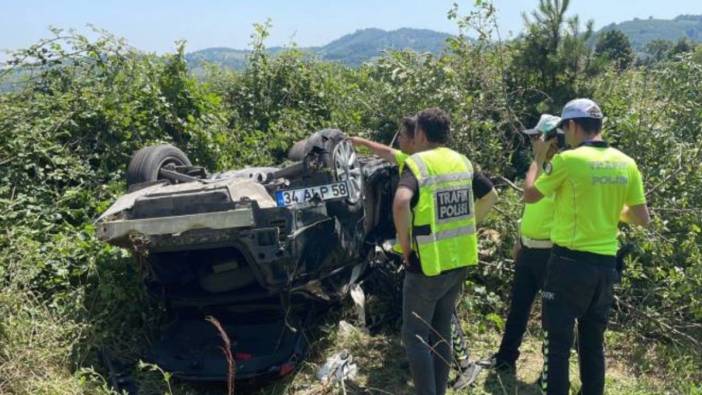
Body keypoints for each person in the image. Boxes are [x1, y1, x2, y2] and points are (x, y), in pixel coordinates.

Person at [523, 99, 650, 395]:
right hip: (605, 266)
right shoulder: (626, 163)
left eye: (565, 129)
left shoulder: (568, 161)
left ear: (574, 125)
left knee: (558, 345)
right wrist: (610, 209)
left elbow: (530, 195)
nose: (565, 136)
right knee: (593, 344)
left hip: (569, 264)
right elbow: (642, 218)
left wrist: (539, 158)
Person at [393, 108, 496, 395]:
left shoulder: (417, 164)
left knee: (415, 337)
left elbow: (402, 202)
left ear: (421, 134)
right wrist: (468, 224)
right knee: (441, 332)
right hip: (459, 259)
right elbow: (491, 195)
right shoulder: (462, 161)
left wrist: (405, 246)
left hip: (427, 263)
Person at [491, 114, 563, 374]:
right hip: (529, 248)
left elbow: (529, 195)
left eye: (537, 137)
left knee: (552, 317)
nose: (533, 141)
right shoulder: (539, 167)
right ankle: (505, 359)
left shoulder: (561, 168)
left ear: (551, 139)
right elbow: (529, 206)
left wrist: (538, 159)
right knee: (518, 308)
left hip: (550, 253)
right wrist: (520, 240)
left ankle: (551, 370)